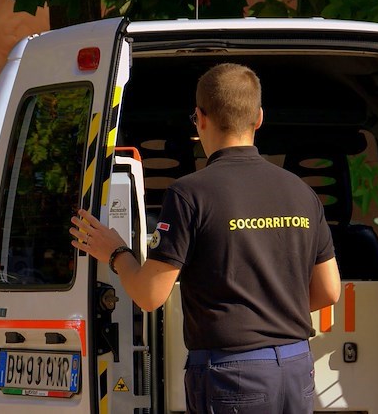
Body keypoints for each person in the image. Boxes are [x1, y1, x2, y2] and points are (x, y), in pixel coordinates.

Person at [70, 62, 341, 414]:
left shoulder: (189, 194)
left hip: (234, 376)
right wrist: (270, 310)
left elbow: (150, 296)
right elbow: (329, 291)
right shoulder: (302, 192)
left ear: (199, 118)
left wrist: (115, 251)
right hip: (295, 368)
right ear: (258, 118)